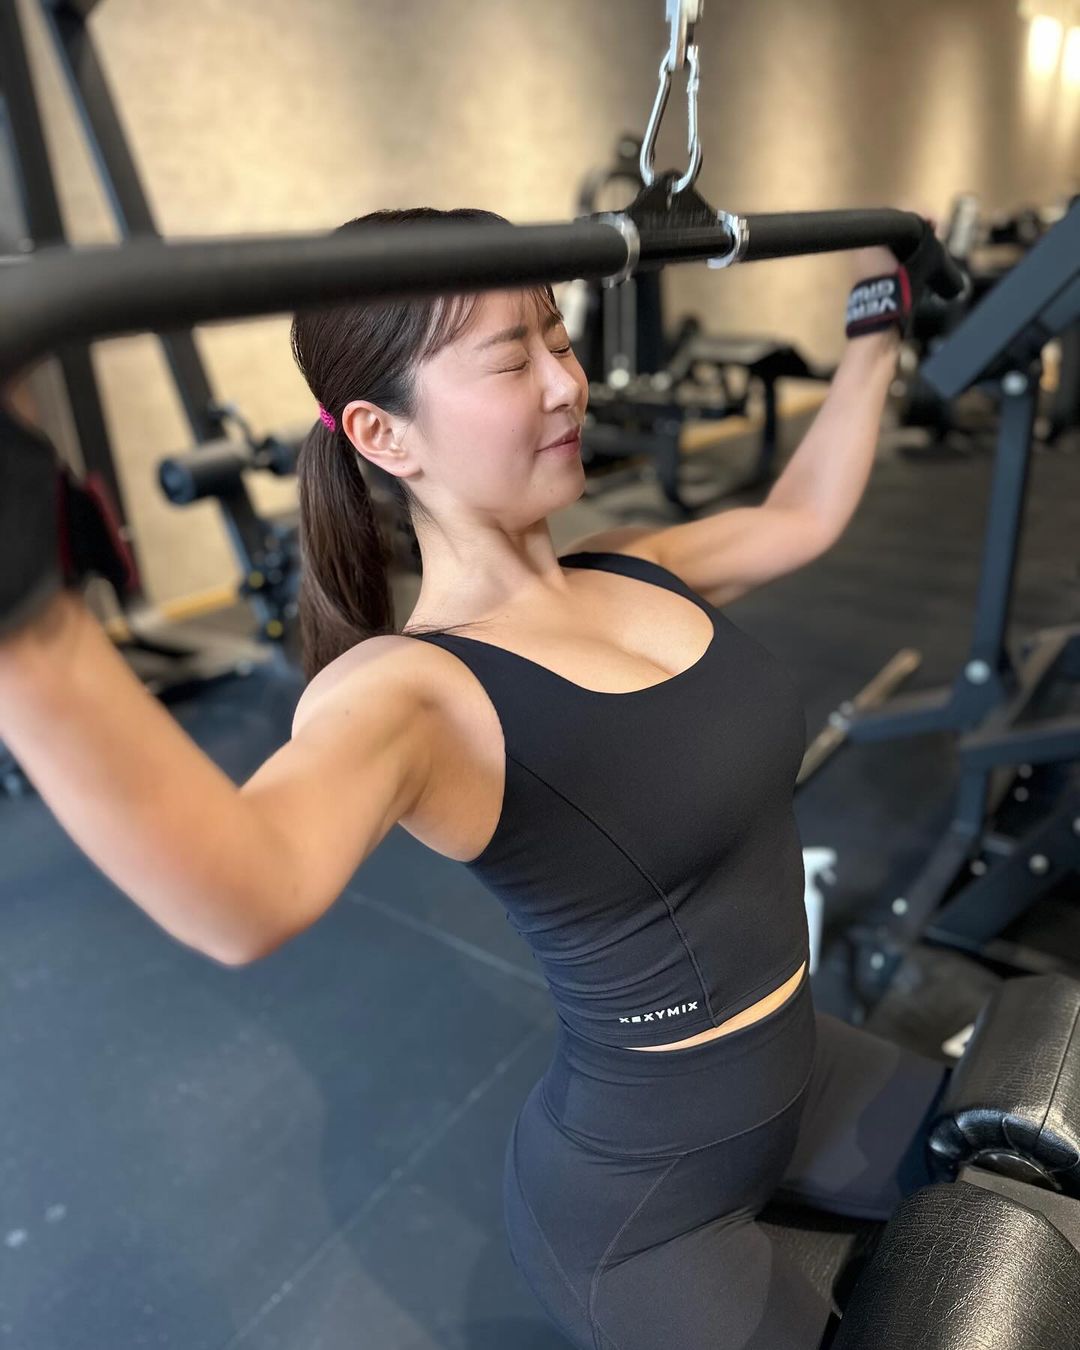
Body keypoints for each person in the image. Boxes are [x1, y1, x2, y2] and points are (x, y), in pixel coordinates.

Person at [0, 207, 949, 1349]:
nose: (566, 384)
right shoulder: (408, 691)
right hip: (644, 1205)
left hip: (807, 1062)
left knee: (1041, 1175)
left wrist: (876, 308)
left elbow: (804, 514)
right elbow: (242, 894)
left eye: (560, 337)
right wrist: (27, 622)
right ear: (384, 435)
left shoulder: (630, 562)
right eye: (511, 359)